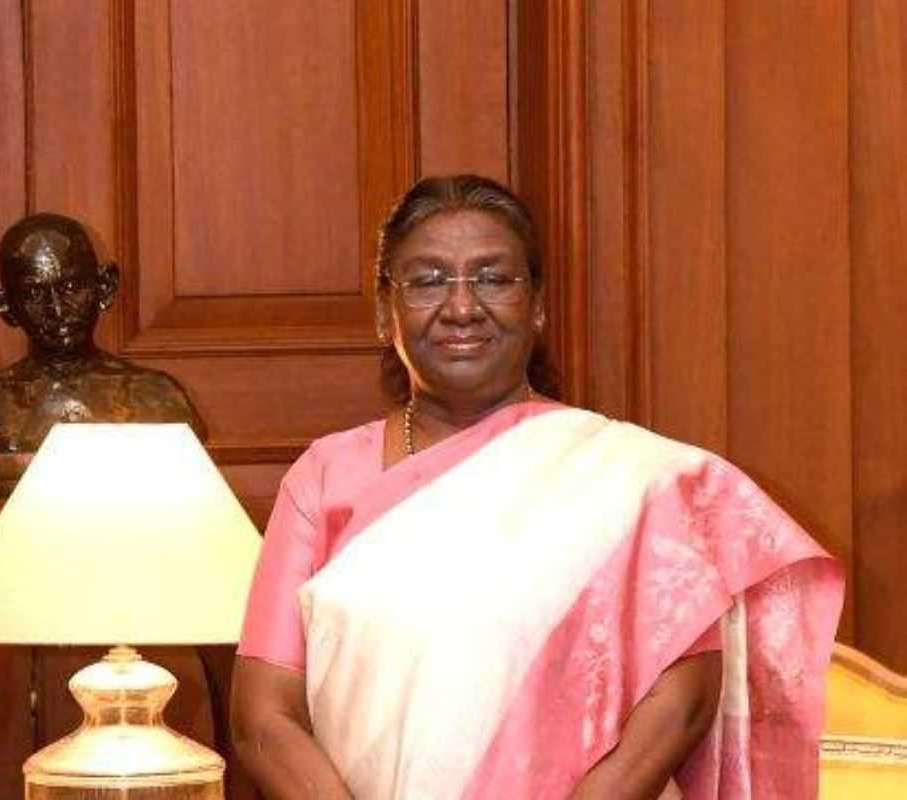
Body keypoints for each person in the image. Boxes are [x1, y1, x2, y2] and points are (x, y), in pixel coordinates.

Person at [230, 174, 844, 799]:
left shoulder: (626, 481)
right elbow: (263, 718)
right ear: (387, 313)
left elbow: (683, 691)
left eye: (494, 278)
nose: (462, 306)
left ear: (538, 305)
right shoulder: (324, 476)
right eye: (428, 281)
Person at [0, 212, 204, 490]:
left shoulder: (157, 395)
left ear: (105, 287)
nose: (57, 310)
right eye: (34, 294)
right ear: (4, 306)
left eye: (72, 287)